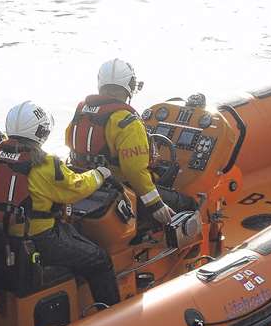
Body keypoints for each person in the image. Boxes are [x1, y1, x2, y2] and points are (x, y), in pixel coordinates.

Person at [0, 101, 120, 308]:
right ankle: (111, 315)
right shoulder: (45, 163)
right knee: (99, 259)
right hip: (41, 240)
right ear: (41, 131)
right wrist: (99, 174)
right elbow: (75, 188)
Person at [65, 58, 194, 228]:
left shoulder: (81, 111)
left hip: (86, 184)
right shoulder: (127, 122)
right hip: (118, 189)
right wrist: (156, 204)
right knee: (188, 204)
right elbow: (134, 170)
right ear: (130, 86)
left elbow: (69, 142)